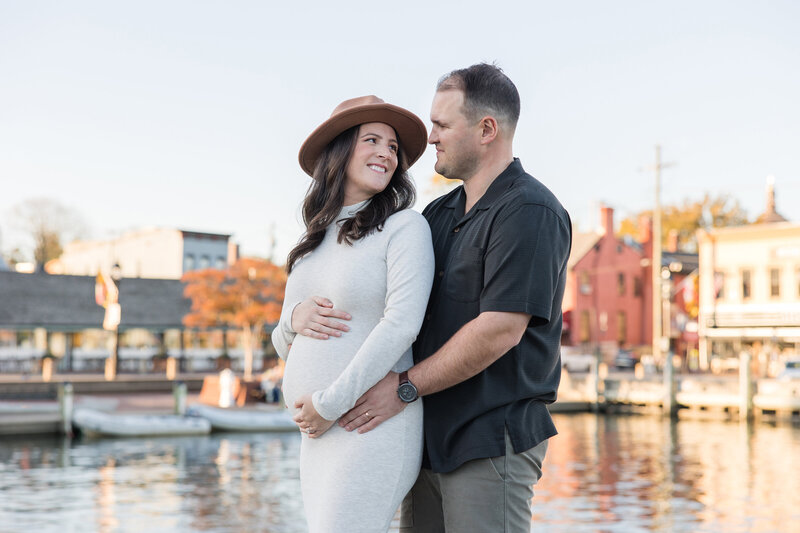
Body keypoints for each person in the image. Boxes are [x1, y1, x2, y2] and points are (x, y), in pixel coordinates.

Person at [293, 64, 572, 532]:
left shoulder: (529, 211)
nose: (431, 136)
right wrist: (295, 320)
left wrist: (403, 387)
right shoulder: (437, 214)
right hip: (423, 436)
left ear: (486, 129)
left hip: (486, 438)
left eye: (442, 124)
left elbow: (499, 329)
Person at [271, 95, 434, 533]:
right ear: (341, 149)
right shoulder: (312, 241)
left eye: (394, 147)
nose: (386, 153)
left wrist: (328, 404)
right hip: (318, 434)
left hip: (365, 425)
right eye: (372, 140)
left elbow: (402, 325)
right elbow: (283, 342)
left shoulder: (404, 228)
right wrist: (292, 321)